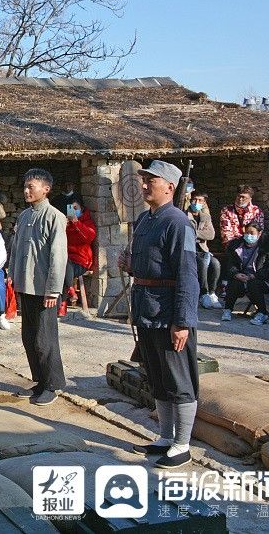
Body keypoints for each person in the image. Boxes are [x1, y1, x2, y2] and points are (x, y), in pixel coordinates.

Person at [119, 160, 201, 469]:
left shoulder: (177, 223)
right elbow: (148, 264)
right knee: (158, 377)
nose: (143, 185)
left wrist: (182, 322)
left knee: (179, 379)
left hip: (169, 315)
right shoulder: (144, 219)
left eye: (150, 181)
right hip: (147, 311)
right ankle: (166, 437)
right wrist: (129, 265)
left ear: (169, 187)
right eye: (143, 180)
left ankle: (183, 444)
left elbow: (187, 275)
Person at [8, 168, 67, 407]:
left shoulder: (54, 217)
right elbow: (16, 250)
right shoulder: (24, 216)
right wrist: (12, 275)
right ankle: (40, 381)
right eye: (25, 186)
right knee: (29, 336)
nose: (26, 191)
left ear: (46, 189)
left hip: (44, 289)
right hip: (26, 285)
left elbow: (58, 255)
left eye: (31, 187)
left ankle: (52, 384)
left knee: (45, 338)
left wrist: (53, 289)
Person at [221, 221, 269, 325]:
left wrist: (255, 275)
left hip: (260, 279)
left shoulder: (267, 246)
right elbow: (230, 264)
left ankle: (262, 313)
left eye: (252, 233)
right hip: (242, 277)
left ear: (259, 234)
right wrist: (236, 274)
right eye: (247, 233)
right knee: (234, 282)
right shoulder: (236, 246)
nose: (249, 235)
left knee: (253, 284)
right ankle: (227, 309)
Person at [62, 192, 97, 311]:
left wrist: (76, 222)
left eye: (75, 208)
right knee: (59, 266)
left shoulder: (87, 221)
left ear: (81, 208)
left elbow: (88, 237)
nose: (73, 210)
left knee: (65, 267)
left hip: (81, 260)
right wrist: (63, 226)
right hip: (66, 259)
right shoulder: (66, 223)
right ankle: (69, 291)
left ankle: (64, 301)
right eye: (71, 208)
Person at [186, 192, 221, 309]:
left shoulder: (205, 217)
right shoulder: (185, 215)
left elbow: (211, 234)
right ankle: (204, 293)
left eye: (200, 201)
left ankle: (212, 292)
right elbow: (185, 234)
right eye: (195, 200)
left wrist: (194, 233)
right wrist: (200, 235)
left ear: (204, 202)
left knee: (216, 264)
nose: (197, 203)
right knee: (201, 264)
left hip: (203, 249)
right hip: (189, 250)